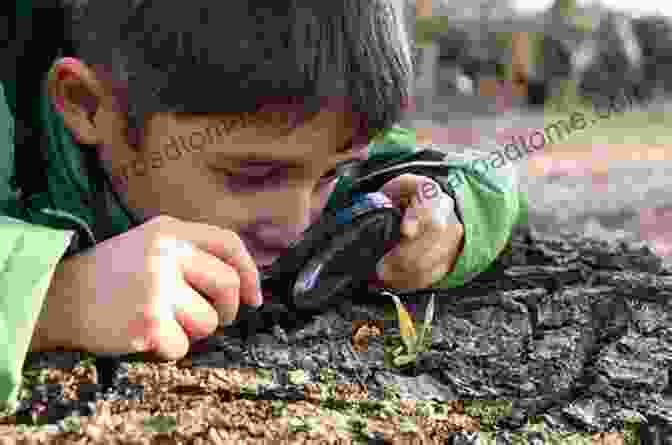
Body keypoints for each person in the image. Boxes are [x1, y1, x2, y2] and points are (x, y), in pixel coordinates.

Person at [0, 0, 524, 408]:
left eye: (332, 172)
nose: (296, 224)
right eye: (253, 175)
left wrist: (453, 212)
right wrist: (49, 299)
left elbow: (484, 173)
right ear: (88, 105)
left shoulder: (305, 135)